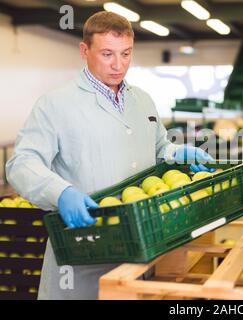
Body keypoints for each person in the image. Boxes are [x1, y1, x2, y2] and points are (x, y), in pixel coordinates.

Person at [5, 11, 213, 300]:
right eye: (107, 54)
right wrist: (61, 192)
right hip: (84, 249)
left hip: (144, 244)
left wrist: (177, 152)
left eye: (126, 54)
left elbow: (159, 147)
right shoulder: (55, 104)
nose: (118, 65)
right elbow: (21, 162)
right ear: (84, 50)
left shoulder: (142, 99)